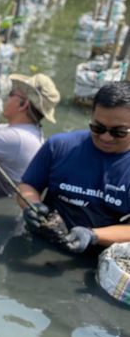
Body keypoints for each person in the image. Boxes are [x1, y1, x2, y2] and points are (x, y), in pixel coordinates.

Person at [18, 81, 130, 253]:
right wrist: (31, 204)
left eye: (119, 132)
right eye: (98, 128)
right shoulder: (59, 146)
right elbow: (27, 186)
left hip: (94, 258)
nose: (106, 137)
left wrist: (93, 236)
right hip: (39, 243)